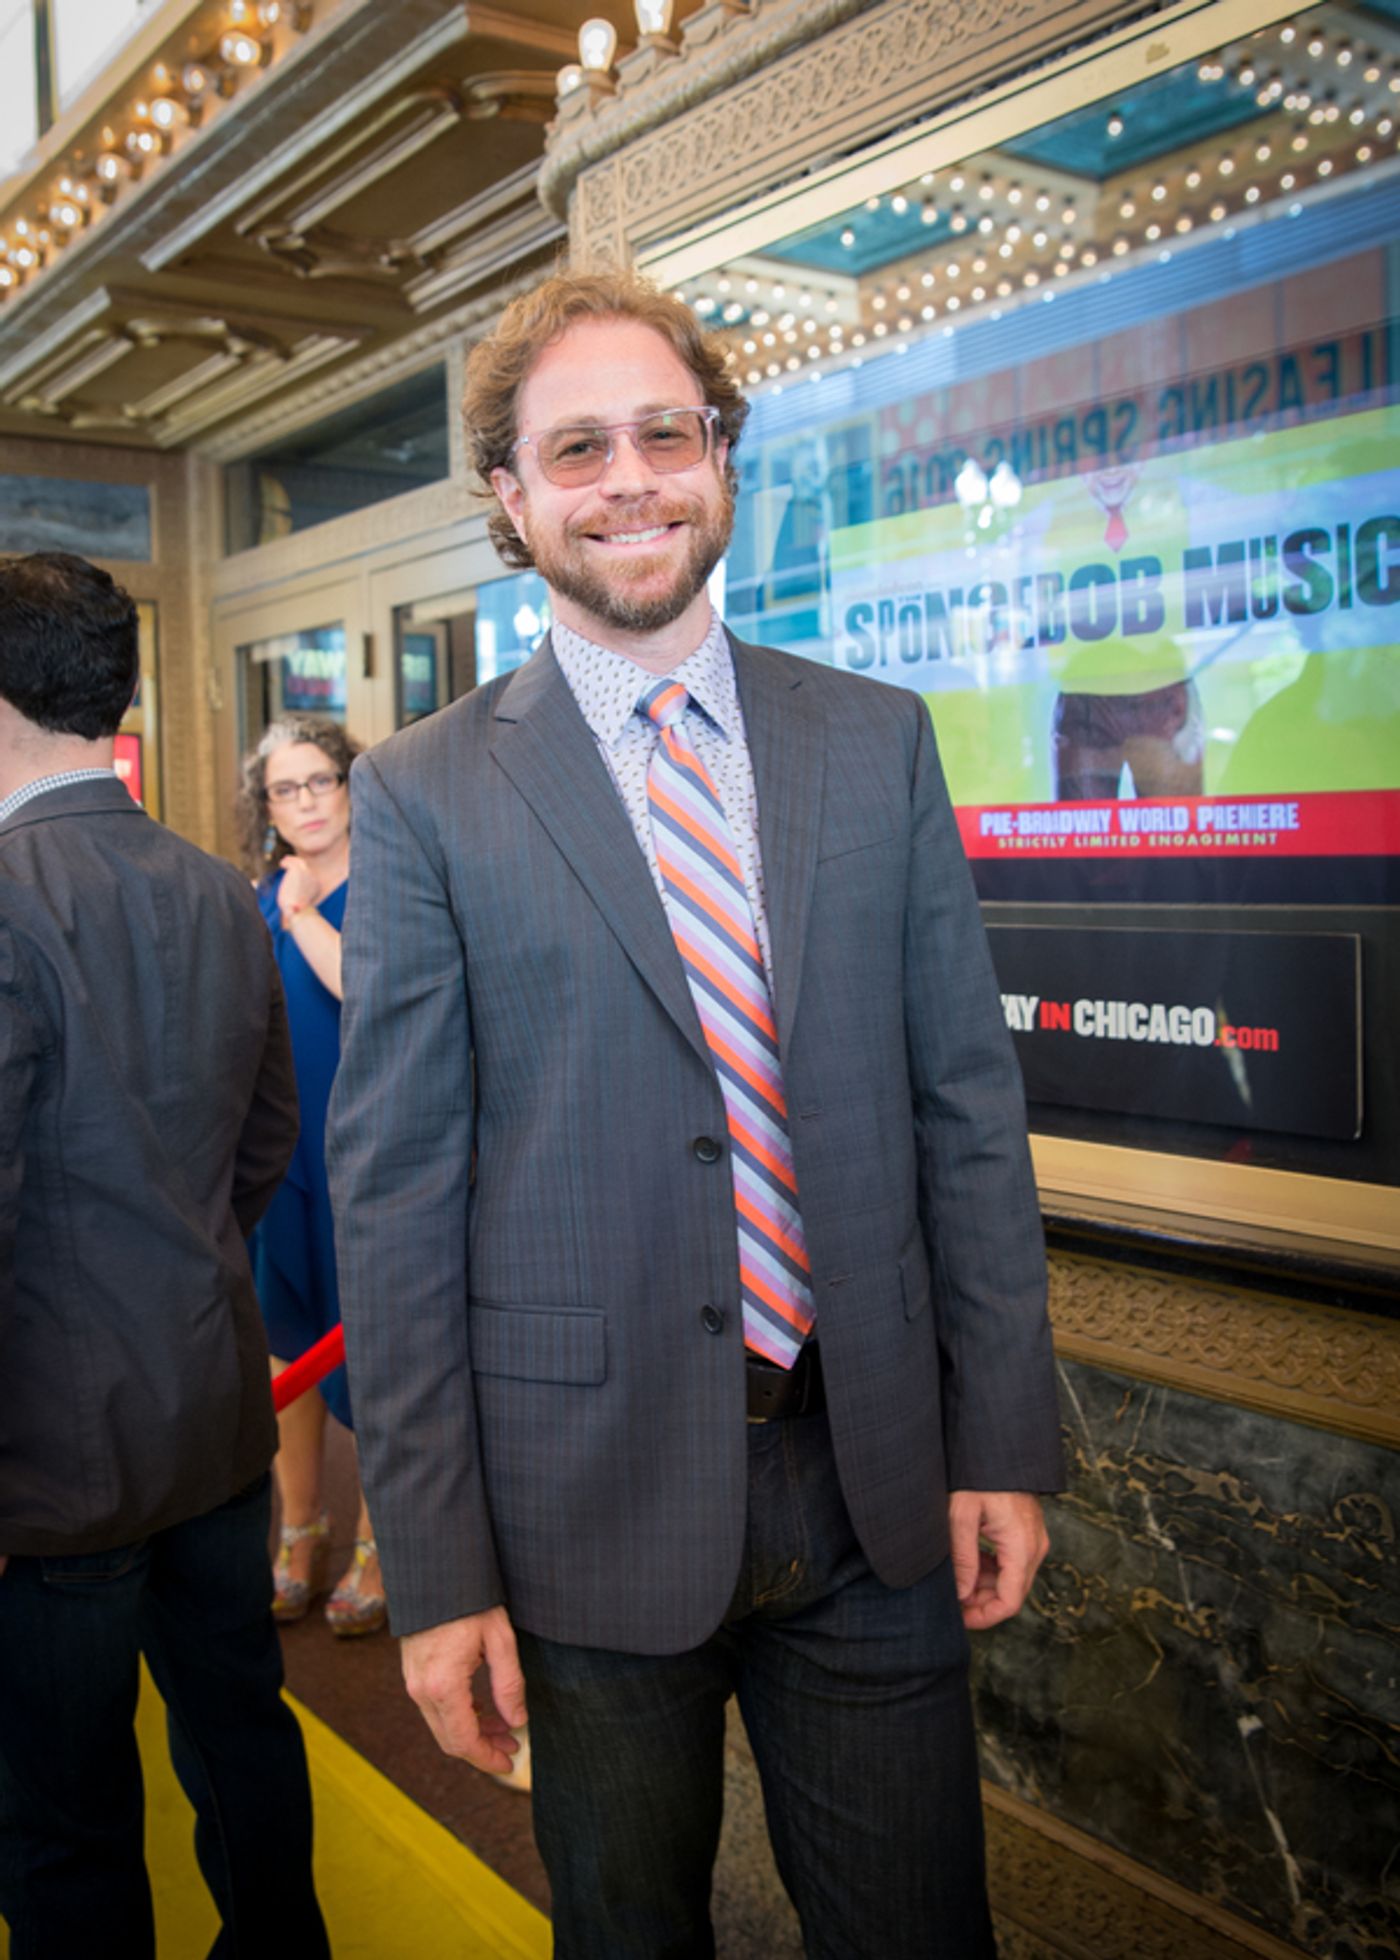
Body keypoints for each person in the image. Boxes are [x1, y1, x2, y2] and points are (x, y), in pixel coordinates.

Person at [327, 270, 1064, 1958]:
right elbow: (396, 1195)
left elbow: (966, 1105)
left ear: (723, 454)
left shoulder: (874, 742)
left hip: (870, 1476)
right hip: (579, 1508)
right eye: (575, 447)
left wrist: (1003, 1433)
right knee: (632, 1932)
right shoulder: (425, 794)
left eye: (667, 432)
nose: (631, 477)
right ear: (511, 497)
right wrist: (434, 1568)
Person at [0, 552, 328, 1959]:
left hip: (49, 1463)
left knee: (63, 1819)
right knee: (241, 1738)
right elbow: (265, 1148)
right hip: (210, 1409)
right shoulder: (215, 889)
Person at [236, 714, 385, 1636]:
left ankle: (383, 1541)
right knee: (284, 1349)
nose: (304, 802)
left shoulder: (386, 884)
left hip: (370, 1162)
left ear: (350, 783)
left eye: (319, 781)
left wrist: (298, 912)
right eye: (284, 789)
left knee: (376, 1362)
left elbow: (366, 991)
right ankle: (300, 1527)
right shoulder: (257, 899)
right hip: (281, 1167)